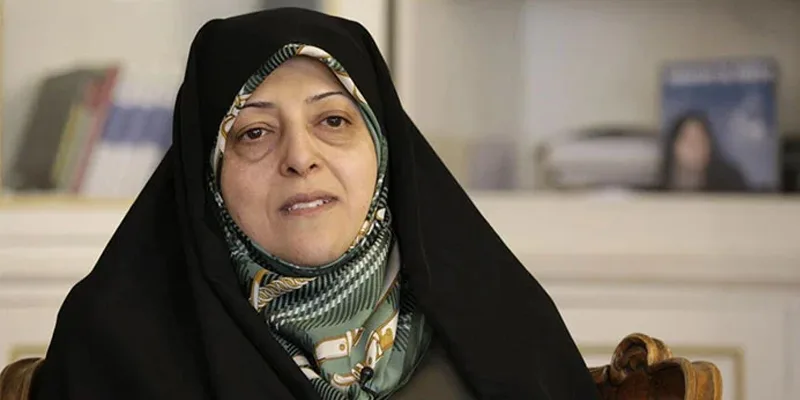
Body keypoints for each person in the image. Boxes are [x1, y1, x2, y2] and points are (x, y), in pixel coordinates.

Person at [2, 8, 599, 399]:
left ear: (384, 147)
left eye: (333, 120)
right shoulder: (116, 346)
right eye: (254, 132)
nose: (300, 158)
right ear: (206, 173)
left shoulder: (504, 324)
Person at [660, 111, 747, 192]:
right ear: (674, 146)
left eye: (700, 140)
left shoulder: (730, 187)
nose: (694, 146)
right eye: (688, 139)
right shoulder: (657, 189)